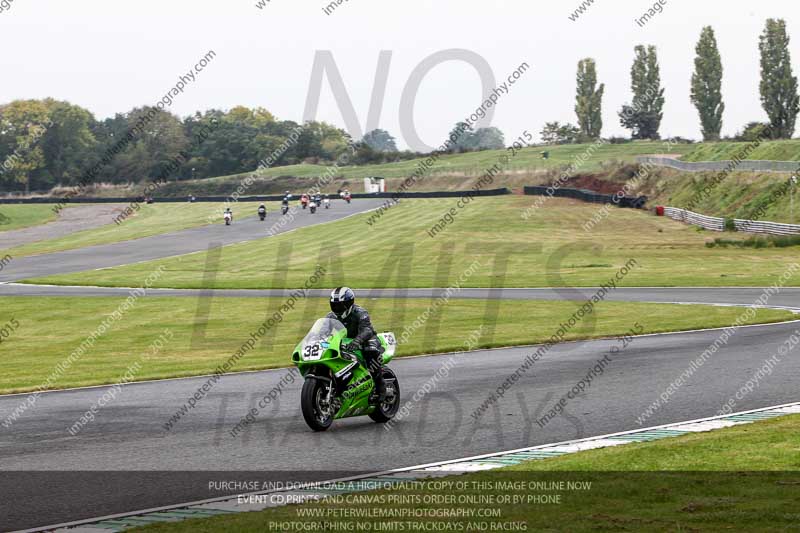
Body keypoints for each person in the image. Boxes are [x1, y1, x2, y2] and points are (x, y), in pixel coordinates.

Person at [327, 287, 386, 401]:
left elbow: (367, 330)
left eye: (340, 305)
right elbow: (323, 332)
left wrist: (357, 341)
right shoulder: (330, 316)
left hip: (366, 338)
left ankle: (380, 386)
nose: (337, 308)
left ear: (349, 303)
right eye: (334, 305)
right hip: (346, 342)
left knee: (370, 351)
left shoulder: (360, 312)